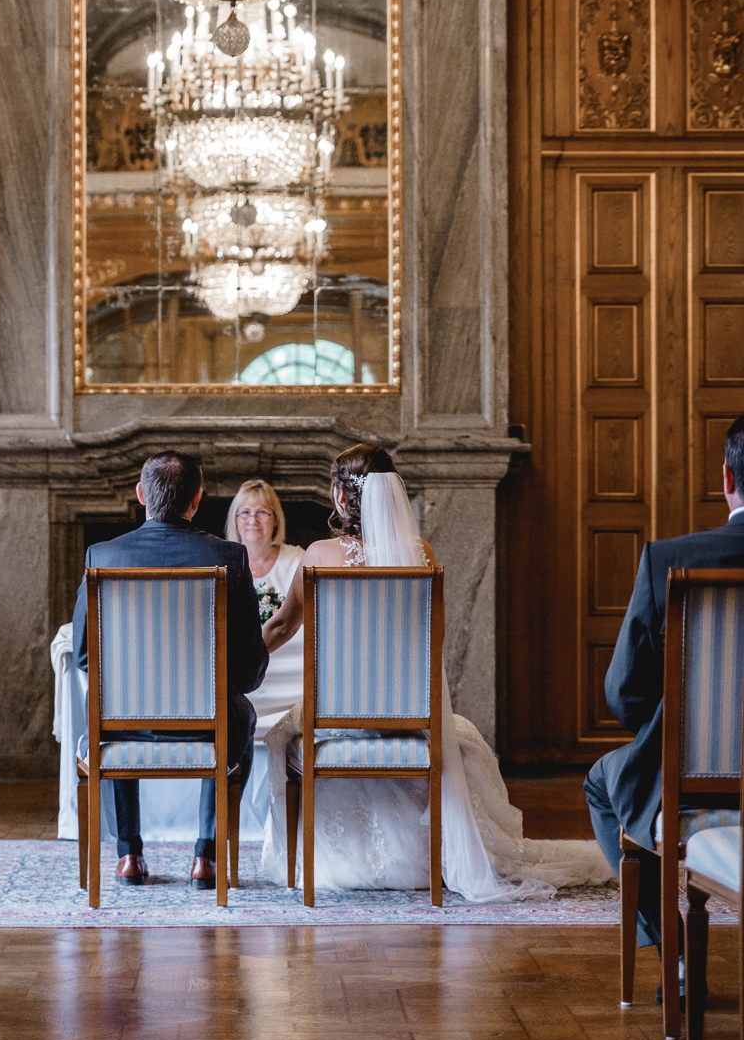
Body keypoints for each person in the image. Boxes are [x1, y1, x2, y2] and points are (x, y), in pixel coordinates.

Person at [261, 443, 610, 898]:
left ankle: (306, 861)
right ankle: (431, 857)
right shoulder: (420, 554)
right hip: (410, 717)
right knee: (464, 739)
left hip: (337, 720)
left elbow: (284, 624)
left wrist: (236, 659)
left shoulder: (316, 556)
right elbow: (434, 643)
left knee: (278, 737)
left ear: (342, 496)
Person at [584, 414, 744, 999]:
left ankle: (671, 950)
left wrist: (680, 727)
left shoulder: (666, 558)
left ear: (727, 476)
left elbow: (623, 690)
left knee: (604, 784)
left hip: (691, 778)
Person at [73, 451, 267, 890]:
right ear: (197, 501)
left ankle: (129, 856)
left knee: (103, 704)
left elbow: (86, 656)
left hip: (121, 729)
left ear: (141, 495)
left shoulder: (102, 555)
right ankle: (206, 859)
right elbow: (249, 666)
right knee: (241, 711)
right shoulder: (230, 557)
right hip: (210, 727)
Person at [224, 480, 305, 738]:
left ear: (275, 520)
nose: (252, 520)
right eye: (244, 512)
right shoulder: (224, 562)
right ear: (235, 520)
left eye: (262, 512)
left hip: (291, 663)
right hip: (241, 665)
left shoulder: (297, 560)